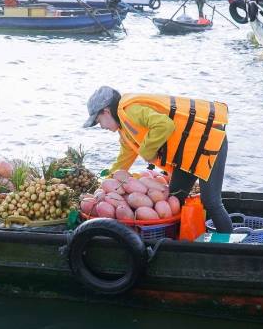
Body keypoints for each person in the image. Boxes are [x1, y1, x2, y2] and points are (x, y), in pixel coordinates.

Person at [84, 86, 232, 235]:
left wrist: (147, 151)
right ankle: (181, 240)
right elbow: (123, 160)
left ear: (106, 111)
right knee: (175, 197)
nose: (102, 126)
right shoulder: (125, 130)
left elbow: (164, 124)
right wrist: (105, 183)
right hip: (189, 152)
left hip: (209, 142)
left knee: (211, 201)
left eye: (99, 121)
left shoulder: (131, 111)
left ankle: (231, 249)